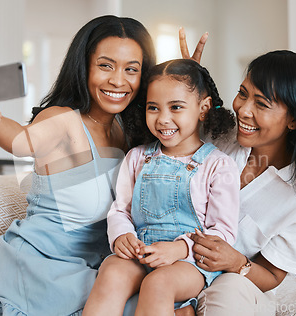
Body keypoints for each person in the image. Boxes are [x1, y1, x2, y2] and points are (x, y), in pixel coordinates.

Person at [0, 15, 157, 316]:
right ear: (84, 65)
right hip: (43, 271)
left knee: (167, 294)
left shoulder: (129, 132)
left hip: (98, 269)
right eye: (105, 65)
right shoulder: (62, 121)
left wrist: (184, 86)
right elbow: (23, 141)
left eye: (131, 69)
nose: (118, 80)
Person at [178, 34, 296, 316]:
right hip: (174, 262)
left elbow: (273, 276)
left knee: (229, 291)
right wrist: (186, 88)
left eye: (261, 104)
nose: (243, 110)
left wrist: (236, 262)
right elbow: (175, 120)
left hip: (236, 282)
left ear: (294, 119)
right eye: (242, 93)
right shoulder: (221, 133)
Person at [83, 58, 240, 316]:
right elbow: (120, 210)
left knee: (159, 282)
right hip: (141, 253)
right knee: (111, 271)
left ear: (204, 108)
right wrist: (122, 235)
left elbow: (222, 233)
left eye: (176, 107)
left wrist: (179, 249)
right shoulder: (137, 157)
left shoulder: (218, 165)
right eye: (153, 108)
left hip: (190, 263)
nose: (163, 119)